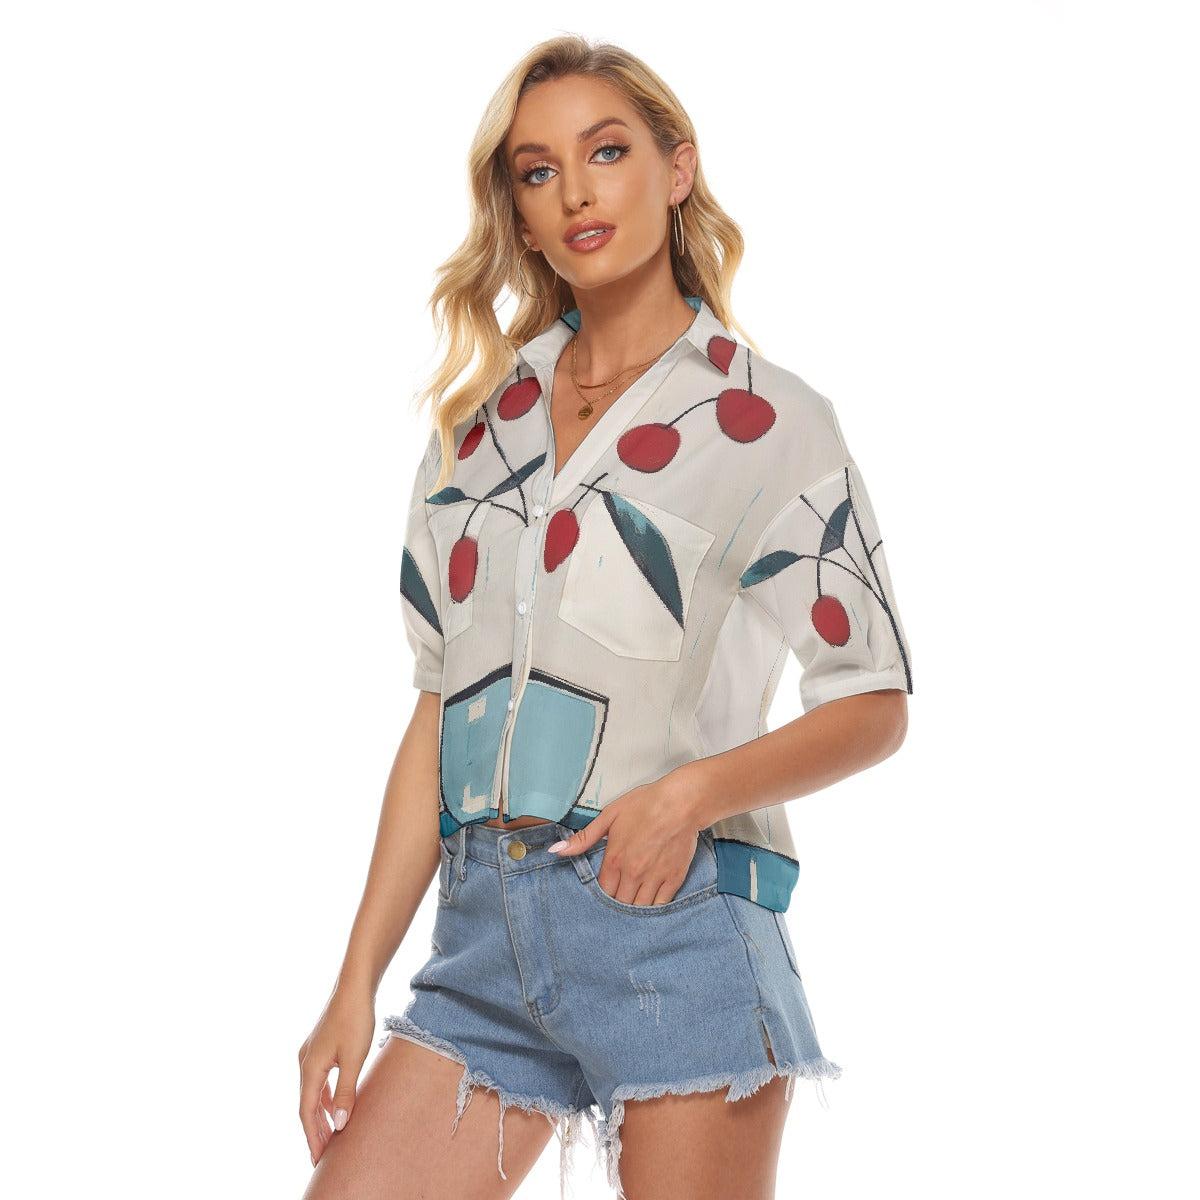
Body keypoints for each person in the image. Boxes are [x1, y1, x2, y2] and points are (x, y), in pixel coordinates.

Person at [298, 33, 913, 1200]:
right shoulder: (476, 434)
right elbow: (437, 710)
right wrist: (354, 983)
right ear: (522, 219)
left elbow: (874, 702)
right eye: (538, 171)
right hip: (480, 950)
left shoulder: (767, 420)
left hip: (677, 933)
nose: (576, 191)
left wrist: (690, 796)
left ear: (678, 169)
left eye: (608, 151)